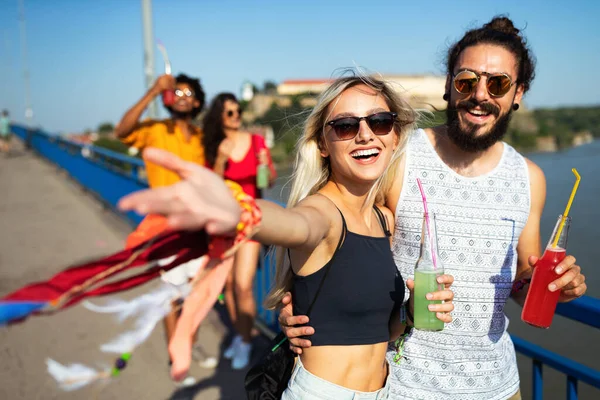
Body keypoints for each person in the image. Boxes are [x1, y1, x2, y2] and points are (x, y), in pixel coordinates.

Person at [279, 16, 588, 400]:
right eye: (466, 81)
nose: (480, 95)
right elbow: (338, 230)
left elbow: (525, 276)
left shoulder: (530, 178)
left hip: (498, 385)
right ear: (448, 86)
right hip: (406, 385)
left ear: (518, 93)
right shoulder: (400, 158)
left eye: (498, 84)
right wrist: (305, 309)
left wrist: (559, 285)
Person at [118, 75, 455, 398]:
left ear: (394, 135)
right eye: (345, 126)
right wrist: (240, 212)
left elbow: (378, 332)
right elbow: (292, 222)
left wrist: (410, 314)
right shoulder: (323, 214)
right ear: (323, 144)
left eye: (379, 121)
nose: (365, 134)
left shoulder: (384, 219)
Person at [114, 73, 211, 383]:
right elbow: (122, 131)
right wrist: (152, 92)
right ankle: (176, 359)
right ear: (170, 98)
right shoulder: (155, 130)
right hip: (165, 225)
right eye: (177, 91)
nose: (182, 96)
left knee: (196, 295)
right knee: (173, 297)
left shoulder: (201, 137)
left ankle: (188, 343)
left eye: (189, 92)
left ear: (197, 101)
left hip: (198, 225)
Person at [202, 93, 277, 369]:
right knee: (229, 285)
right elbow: (211, 184)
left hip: (251, 220)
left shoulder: (256, 141)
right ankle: (240, 333)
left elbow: (269, 179)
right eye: (230, 113)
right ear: (219, 116)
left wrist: (262, 163)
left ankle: (245, 342)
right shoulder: (214, 145)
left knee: (243, 285)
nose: (236, 117)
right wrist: (221, 159)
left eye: (238, 112)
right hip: (223, 222)